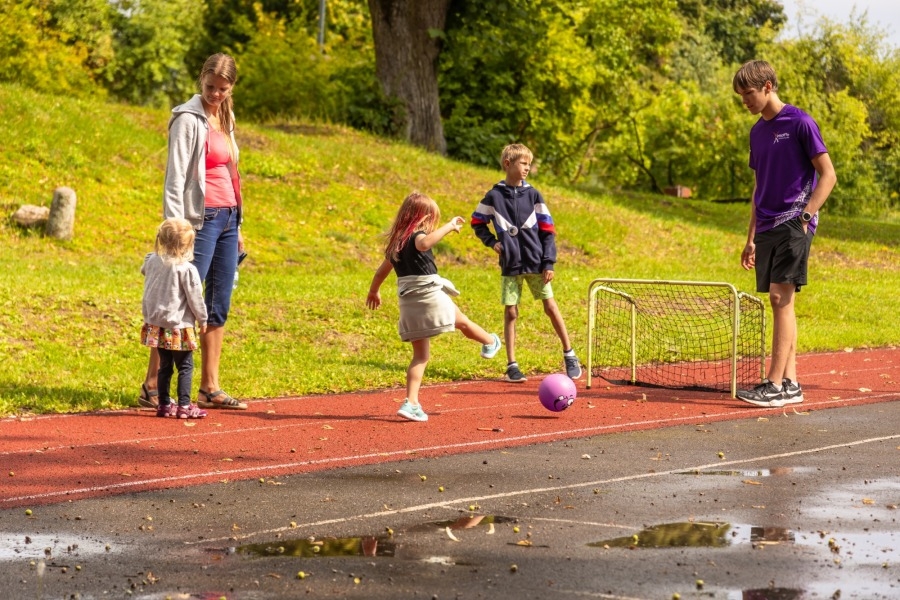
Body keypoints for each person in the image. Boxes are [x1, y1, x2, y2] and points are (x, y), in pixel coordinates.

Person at [138, 52, 248, 410]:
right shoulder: (187, 119)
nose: (216, 93)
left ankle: (210, 387)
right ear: (201, 80)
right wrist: (175, 229)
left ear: (232, 88)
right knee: (178, 306)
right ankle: (152, 385)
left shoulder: (226, 117)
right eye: (211, 87)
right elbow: (175, 177)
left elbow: (232, 172)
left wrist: (240, 223)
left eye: (223, 88)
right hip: (197, 223)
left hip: (228, 218)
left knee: (218, 303)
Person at [732, 60, 837, 408]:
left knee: (780, 298)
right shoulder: (756, 132)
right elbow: (758, 185)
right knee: (781, 302)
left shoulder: (800, 122)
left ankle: (774, 385)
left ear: (768, 86)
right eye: (741, 95)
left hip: (794, 220)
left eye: (748, 93)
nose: (745, 100)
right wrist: (749, 237)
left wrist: (807, 215)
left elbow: (828, 175)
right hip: (765, 225)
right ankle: (791, 382)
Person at [366, 192, 502, 422]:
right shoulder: (419, 236)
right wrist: (449, 226)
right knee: (462, 322)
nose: (432, 226)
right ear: (423, 219)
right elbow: (424, 243)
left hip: (409, 303)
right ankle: (490, 341)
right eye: (432, 221)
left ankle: (411, 402)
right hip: (430, 296)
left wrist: (374, 291)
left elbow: (381, 272)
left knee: (420, 357)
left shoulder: (395, 245)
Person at [470, 143, 582, 383]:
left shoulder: (533, 195)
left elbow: (548, 231)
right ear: (508, 164)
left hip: (536, 262)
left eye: (529, 164)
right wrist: (492, 242)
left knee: (550, 307)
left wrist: (548, 262)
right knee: (511, 312)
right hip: (510, 264)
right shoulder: (494, 196)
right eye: (523, 163)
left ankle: (569, 353)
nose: (527, 168)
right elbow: (477, 222)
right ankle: (512, 365)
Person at [140, 219, 209, 419]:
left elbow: (144, 269)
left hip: (158, 325)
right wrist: (202, 319)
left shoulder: (151, 260)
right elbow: (195, 297)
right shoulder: (187, 270)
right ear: (188, 245)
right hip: (179, 325)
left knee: (165, 365)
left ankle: (163, 404)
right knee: (185, 366)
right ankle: (185, 405)